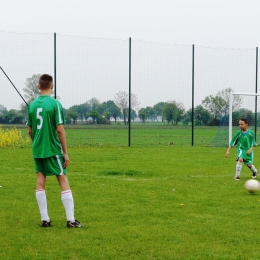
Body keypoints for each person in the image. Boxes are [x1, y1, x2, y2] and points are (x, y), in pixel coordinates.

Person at [27, 74, 82, 228]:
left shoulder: (31, 105)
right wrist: (65, 152)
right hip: (53, 150)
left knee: (40, 182)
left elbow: (30, 131)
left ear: (38, 86)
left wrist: (37, 143)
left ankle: (45, 220)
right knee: (63, 179)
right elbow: (60, 129)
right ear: (52, 86)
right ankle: (71, 220)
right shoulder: (55, 104)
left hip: (37, 150)